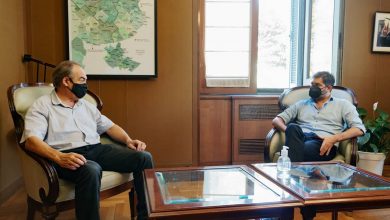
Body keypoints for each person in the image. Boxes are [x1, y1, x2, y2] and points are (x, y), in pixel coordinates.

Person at [21, 60, 153, 220]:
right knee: (91, 169)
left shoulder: (86, 105)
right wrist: (58, 157)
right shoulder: (42, 106)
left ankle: (145, 216)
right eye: (82, 80)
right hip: (66, 156)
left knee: (144, 158)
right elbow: (31, 141)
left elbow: (110, 127)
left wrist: (128, 140)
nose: (86, 85)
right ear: (66, 81)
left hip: (96, 149)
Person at [272, 71, 365, 220]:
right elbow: (277, 120)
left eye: (317, 85)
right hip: (300, 139)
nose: (312, 88)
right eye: (311, 85)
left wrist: (334, 138)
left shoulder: (343, 105)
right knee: (294, 127)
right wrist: (288, 130)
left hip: (323, 143)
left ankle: (287, 202)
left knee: (299, 151)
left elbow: (359, 129)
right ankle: (306, 207)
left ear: (328, 87)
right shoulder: (302, 104)